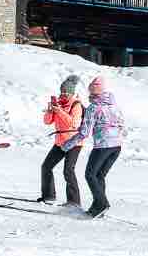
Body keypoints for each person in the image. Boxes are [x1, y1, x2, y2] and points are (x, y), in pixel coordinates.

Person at [62, 76, 126, 218]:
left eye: (90, 92)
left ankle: (102, 204)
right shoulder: (113, 105)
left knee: (90, 175)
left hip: (103, 145)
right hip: (117, 146)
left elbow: (84, 132)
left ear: (93, 92)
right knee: (99, 176)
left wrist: (68, 145)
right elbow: (122, 124)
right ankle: (98, 208)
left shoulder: (93, 107)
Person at [38, 75, 85, 206]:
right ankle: (48, 196)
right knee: (46, 166)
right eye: (62, 91)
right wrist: (50, 111)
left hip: (74, 142)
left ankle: (74, 201)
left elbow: (73, 124)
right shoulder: (58, 104)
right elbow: (47, 122)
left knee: (68, 170)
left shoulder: (76, 105)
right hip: (60, 142)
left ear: (72, 93)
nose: (64, 94)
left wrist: (59, 111)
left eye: (67, 92)